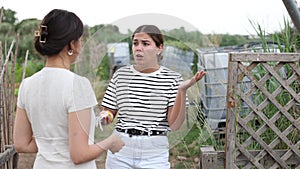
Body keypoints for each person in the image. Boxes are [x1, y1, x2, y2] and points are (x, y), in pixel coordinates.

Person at [13, 9, 124, 169]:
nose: (81, 46)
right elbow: (79, 155)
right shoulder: (78, 85)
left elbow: (21, 144)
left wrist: (51, 144)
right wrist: (111, 142)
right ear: (71, 44)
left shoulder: (27, 85)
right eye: (80, 40)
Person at [99, 24, 206, 168]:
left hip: (154, 153)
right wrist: (105, 116)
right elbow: (109, 111)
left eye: (145, 43)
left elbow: (175, 125)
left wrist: (182, 91)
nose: (138, 48)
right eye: (135, 43)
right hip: (120, 151)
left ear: (159, 48)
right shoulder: (121, 75)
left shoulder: (172, 79)